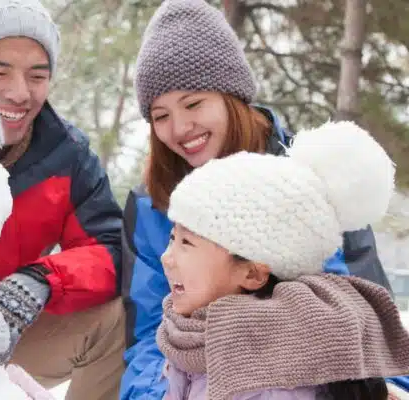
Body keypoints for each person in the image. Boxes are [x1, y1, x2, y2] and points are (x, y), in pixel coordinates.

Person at [120, 0, 394, 399]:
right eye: (160, 116)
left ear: (232, 96)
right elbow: (146, 333)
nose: (179, 128)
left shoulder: (312, 181)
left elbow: (364, 316)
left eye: (194, 103)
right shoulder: (151, 204)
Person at [157, 119, 409, 399]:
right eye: (172, 238)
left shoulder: (272, 386)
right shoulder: (190, 336)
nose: (167, 258)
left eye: (187, 243)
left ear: (253, 274)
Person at [0, 1, 126, 399]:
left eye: (38, 75)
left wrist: (41, 280)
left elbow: (111, 248)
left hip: (2, 334)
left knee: (117, 318)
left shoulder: (65, 156)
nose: (20, 93)